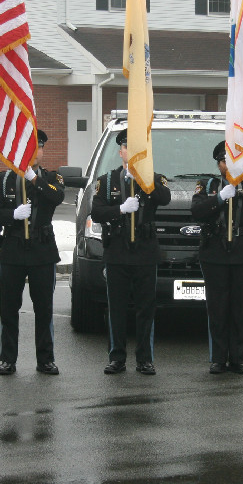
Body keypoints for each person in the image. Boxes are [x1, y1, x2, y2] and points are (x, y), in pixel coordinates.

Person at [90, 129, 172, 375]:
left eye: (135, 148)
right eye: (126, 147)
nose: (129, 152)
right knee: (116, 307)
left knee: (146, 308)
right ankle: (117, 357)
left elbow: (164, 197)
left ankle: (145, 359)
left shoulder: (153, 178)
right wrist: (120, 209)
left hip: (145, 252)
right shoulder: (106, 181)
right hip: (117, 251)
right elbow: (96, 212)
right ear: (121, 152)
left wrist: (144, 180)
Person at [0, 130, 64, 376]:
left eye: (38, 148)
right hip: (13, 250)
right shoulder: (5, 179)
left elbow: (56, 196)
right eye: (29, 148)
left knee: (44, 309)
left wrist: (33, 179)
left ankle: (46, 359)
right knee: (8, 309)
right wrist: (11, 215)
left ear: (42, 151)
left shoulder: (52, 177)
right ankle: (8, 358)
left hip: (42, 251)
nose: (34, 153)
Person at [191, 140, 243, 374]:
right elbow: (198, 211)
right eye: (224, 161)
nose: (227, 165)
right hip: (216, 253)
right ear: (218, 164)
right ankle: (218, 358)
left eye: (232, 160)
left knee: (241, 308)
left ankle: (238, 358)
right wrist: (221, 197)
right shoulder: (209, 185)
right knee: (218, 307)